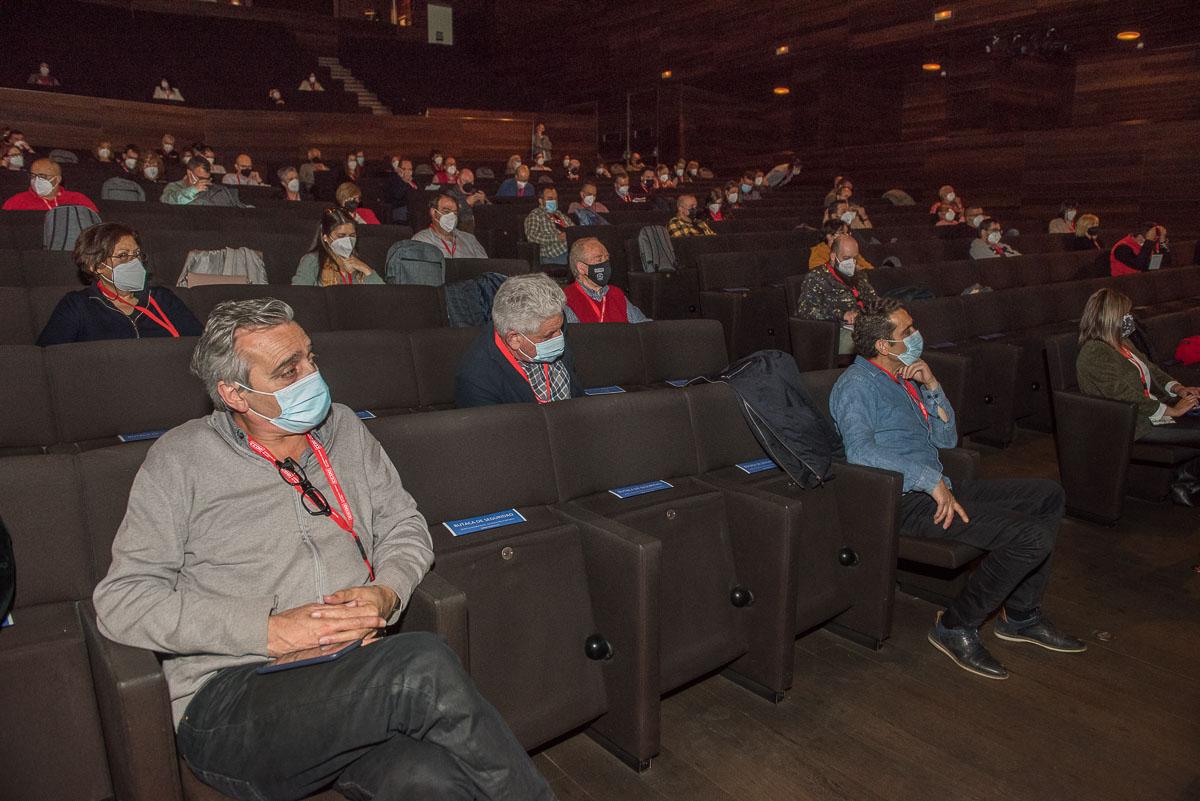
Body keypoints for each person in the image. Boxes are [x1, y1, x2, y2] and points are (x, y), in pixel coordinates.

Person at [93, 297, 556, 801]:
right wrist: (269, 631)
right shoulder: (179, 460)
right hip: (233, 700)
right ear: (235, 394)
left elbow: (405, 526)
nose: (311, 375)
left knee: (431, 783)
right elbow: (123, 601)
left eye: (310, 358)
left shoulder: (344, 430)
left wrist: (386, 592)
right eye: (288, 370)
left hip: (351, 680)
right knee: (421, 667)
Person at [830, 298, 1085, 679]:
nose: (917, 335)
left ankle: (1019, 616)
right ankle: (955, 626)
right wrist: (928, 479)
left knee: (1048, 494)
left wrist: (932, 386)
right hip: (902, 502)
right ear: (884, 346)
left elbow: (946, 439)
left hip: (941, 487)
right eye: (908, 331)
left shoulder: (904, 377)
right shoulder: (855, 386)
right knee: (1030, 537)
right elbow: (860, 451)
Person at [36, 222, 201, 345]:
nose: (135, 261)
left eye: (137, 254)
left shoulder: (162, 298)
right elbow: (49, 356)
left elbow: (201, 344)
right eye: (123, 255)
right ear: (96, 266)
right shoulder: (77, 305)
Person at [1075, 288, 1200, 445]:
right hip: (1135, 424)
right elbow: (1123, 395)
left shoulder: (1123, 342)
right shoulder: (1095, 352)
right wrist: (1173, 411)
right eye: (1126, 315)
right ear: (1111, 319)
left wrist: (1179, 389)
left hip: (1153, 411)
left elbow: (1151, 369)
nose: (1131, 319)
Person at [455, 273, 582, 407]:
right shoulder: (476, 381)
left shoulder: (551, 323)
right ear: (514, 339)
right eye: (549, 335)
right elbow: (501, 428)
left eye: (560, 328)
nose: (560, 337)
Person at [795, 234, 880, 354]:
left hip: (862, 326)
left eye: (854, 258)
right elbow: (805, 310)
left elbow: (874, 300)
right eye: (846, 258)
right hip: (835, 332)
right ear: (833, 257)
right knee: (877, 344)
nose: (851, 263)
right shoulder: (817, 277)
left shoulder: (859, 276)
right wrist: (842, 314)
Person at [562, 238, 648, 324]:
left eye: (607, 259)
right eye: (599, 259)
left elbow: (642, 325)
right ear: (581, 268)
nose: (605, 264)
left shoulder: (616, 294)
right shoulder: (568, 300)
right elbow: (574, 336)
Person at [292, 209, 383, 286]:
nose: (347, 240)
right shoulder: (312, 261)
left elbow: (384, 295)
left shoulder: (358, 261)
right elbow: (299, 295)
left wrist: (366, 269)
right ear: (325, 237)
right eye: (341, 236)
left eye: (352, 235)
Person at [3, 158, 98, 212]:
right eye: (33, 176)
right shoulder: (17, 201)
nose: (36, 180)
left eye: (42, 176)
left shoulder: (78, 200)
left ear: (57, 179)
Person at [412, 193, 489, 258]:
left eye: (454, 213)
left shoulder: (470, 239)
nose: (451, 216)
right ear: (433, 212)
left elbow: (485, 267)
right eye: (446, 211)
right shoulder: (421, 240)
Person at [160, 156, 245, 207]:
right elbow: (166, 200)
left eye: (207, 178)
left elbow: (236, 205)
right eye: (200, 178)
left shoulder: (216, 190)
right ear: (189, 173)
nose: (205, 182)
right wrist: (193, 190)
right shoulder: (174, 187)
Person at [523, 187, 574, 266]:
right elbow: (532, 236)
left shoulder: (558, 214)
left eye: (555, 198)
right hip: (553, 255)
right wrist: (557, 237)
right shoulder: (535, 215)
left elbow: (574, 229)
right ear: (541, 201)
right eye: (550, 199)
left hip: (571, 250)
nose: (554, 201)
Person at [809, 219, 874, 270]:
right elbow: (819, 273)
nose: (847, 236)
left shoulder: (849, 250)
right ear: (829, 236)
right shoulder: (819, 251)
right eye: (842, 233)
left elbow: (869, 268)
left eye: (848, 233)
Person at [446, 167, 488, 233]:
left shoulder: (476, 192)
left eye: (471, 182)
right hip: (461, 227)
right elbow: (450, 215)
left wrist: (484, 202)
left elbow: (488, 212)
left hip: (479, 225)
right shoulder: (451, 194)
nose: (469, 185)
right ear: (458, 181)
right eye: (466, 182)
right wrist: (466, 202)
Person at [385, 157, 417, 223]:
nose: (407, 171)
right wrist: (405, 181)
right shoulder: (394, 179)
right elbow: (398, 196)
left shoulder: (414, 180)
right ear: (399, 170)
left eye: (410, 169)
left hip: (414, 208)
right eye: (404, 169)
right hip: (399, 209)